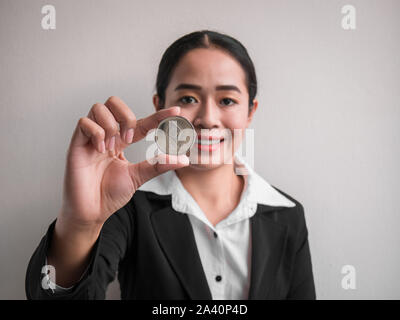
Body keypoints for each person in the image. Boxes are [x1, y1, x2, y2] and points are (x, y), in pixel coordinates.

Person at [25, 30, 316, 300]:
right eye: (188, 98)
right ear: (160, 105)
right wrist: (79, 224)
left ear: (250, 111)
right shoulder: (125, 204)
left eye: (227, 100)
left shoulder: (288, 215)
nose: (207, 118)